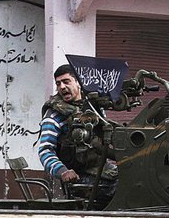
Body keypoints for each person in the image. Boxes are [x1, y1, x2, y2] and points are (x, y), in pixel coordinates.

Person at [38, 64, 117, 205]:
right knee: (123, 187)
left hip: (102, 169)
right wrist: (63, 171)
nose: (62, 87)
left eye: (66, 81)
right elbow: (45, 150)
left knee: (134, 177)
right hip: (81, 176)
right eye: (58, 83)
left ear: (78, 82)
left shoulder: (92, 107)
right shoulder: (55, 115)